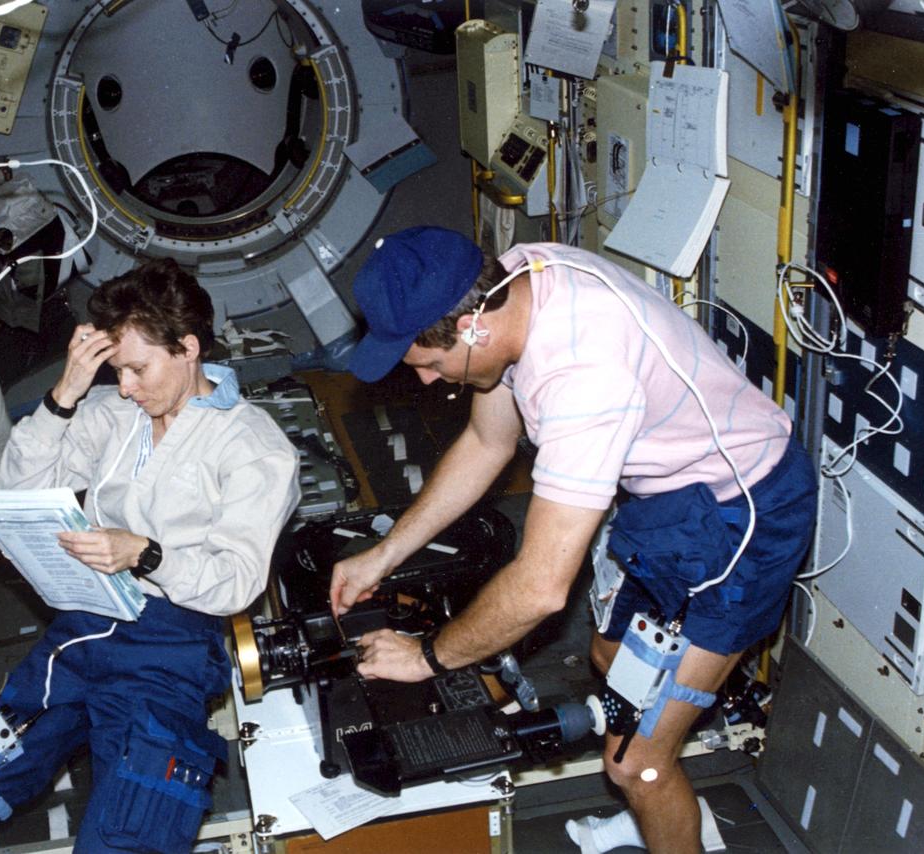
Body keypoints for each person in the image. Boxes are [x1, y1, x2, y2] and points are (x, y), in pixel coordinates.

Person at [330, 228, 816, 854]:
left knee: (635, 763)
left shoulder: (584, 378)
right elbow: (487, 443)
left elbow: (540, 589)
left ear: (472, 328)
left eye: (429, 364)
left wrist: (427, 657)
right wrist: (383, 554)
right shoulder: (517, 282)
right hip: (671, 499)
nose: (425, 381)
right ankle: (664, 815)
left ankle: (663, 803)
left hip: (745, 516)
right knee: (612, 661)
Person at [0, 258, 300, 853]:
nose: (125, 386)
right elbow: (17, 493)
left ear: (188, 348)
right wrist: (65, 394)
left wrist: (146, 553)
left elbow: (238, 581)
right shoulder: (112, 414)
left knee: (127, 835)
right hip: (81, 629)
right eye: (116, 370)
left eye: (138, 369)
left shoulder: (254, 447)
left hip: (169, 649)